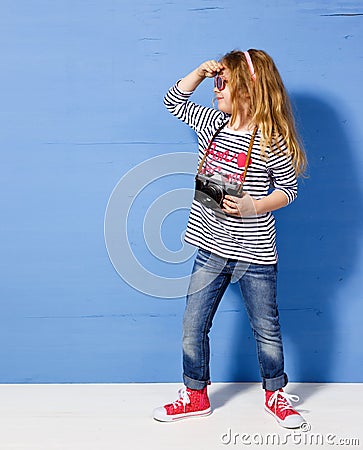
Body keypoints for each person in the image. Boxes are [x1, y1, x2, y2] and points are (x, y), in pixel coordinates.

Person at [153, 49, 307, 428]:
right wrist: (200, 72)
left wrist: (256, 205)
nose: (216, 90)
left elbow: (288, 191)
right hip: (210, 249)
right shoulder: (212, 124)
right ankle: (195, 394)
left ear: (248, 88)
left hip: (254, 252)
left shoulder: (271, 139)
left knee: (266, 329)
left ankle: (275, 394)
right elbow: (173, 100)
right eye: (215, 83)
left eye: (223, 83)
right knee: (193, 325)